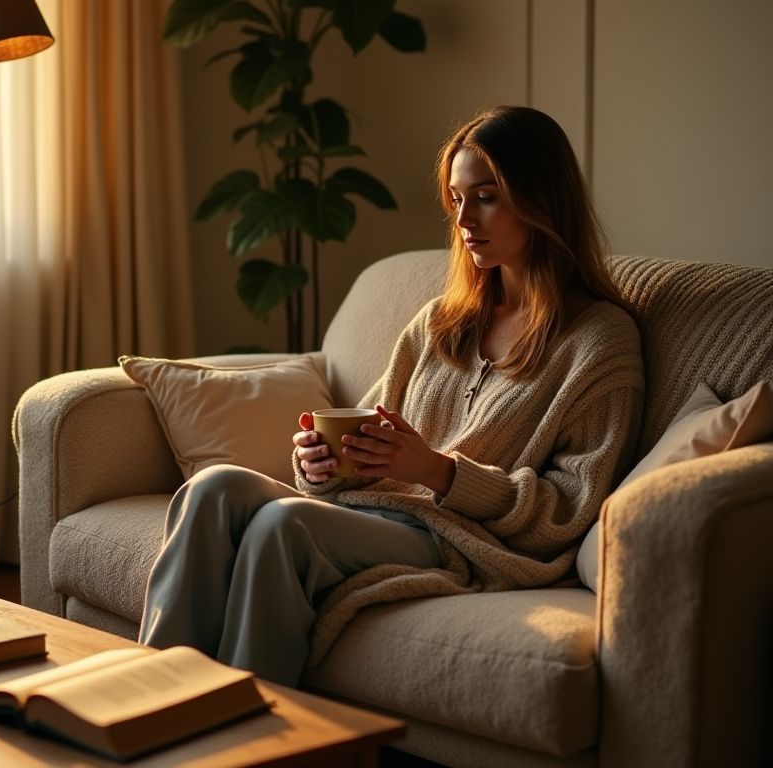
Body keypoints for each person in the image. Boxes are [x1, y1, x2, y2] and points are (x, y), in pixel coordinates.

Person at [138, 105, 644, 687]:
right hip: (375, 511)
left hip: (460, 540)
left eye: (486, 196)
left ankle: (251, 735)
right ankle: (152, 700)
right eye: (456, 199)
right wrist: (324, 464)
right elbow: (371, 440)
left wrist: (438, 471)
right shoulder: (439, 323)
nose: (464, 220)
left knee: (283, 527)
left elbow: (569, 511)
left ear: (541, 200)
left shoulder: (600, 341)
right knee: (214, 485)